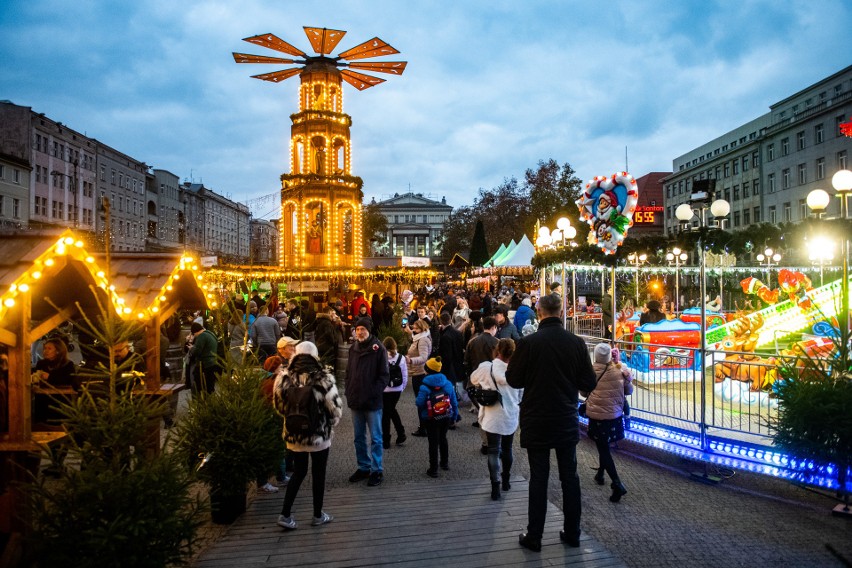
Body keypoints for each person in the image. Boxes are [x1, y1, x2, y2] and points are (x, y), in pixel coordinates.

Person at [506, 293, 596, 552]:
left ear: (539, 312)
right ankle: (573, 531)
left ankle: (535, 535)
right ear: (560, 311)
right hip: (565, 417)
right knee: (570, 476)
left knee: (539, 477)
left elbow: (513, 379)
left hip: (537, 417)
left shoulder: (529, 343)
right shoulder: (576, 343)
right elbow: (588, 383)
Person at [273, 341, 343, 530]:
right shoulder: (323, 377)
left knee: (298, 472)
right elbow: (335, 409)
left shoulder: (284, 376)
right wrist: (330, 424)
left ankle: (285, 514)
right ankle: (317, 514)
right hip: (318, 434)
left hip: (295, 434)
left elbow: (279, 407)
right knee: (319, 473)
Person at [582, 343, 633, 502]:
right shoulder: (618, 370)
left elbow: (584, 392)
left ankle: (617, 483)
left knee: (603, 448)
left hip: (598, 417)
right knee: (605, 445)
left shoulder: (590, 371)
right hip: (615, 416)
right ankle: (600, 474)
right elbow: (629, 390)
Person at [470, 338, 520, 500]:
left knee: (493, 450)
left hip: (492, 416)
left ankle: (495, 487)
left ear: (497, 350)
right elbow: (521, 396)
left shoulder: (486, 367)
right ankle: (506, 480)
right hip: (509, 414)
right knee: (507, 449)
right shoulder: (516, 371)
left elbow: (473, 379)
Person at [344, 317, 389, 487]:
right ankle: (363, 466)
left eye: (363, 329)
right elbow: (348, 373)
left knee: (376, 438)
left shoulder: (379, 349)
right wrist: (348, 390)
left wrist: (372, 393)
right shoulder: (353, 348)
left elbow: (384, 376)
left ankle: (377, 470)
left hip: (372, 401)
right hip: (356, 399)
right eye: (358, 329)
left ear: (369, 330)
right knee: (358, 437)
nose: (360, 332)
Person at [415, 357, 459, 478]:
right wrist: (454, 416)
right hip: (445, 416)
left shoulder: (424, 386)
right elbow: (454, 402)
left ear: (427, 370)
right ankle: (444, 463)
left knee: (433, 442)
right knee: (443, 438)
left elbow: (419, 403)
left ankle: (433, 469)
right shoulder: (448, 383)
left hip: (430, 418)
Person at [32, 337, 78, 424]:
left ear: (58, 351)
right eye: (45, 348)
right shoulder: (41, 363)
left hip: (61, 402)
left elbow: (69, 381)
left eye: (49, 348)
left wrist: (49, 377)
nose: (45, 351)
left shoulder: (68, 365)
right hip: (43, 401)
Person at [405, 319, 432, 437]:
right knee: (422, 401)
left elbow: (423, 357)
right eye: (413, 328)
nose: (414, 330)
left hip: (419, 373)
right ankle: (424, 426)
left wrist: (411, 360)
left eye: (416, 329)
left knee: (421, 401)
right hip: (416, 372)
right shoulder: (419, 338)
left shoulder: (422, 340)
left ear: (422, 329)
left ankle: (424, 427)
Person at [382, 337, 408, 449]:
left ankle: (386, 439)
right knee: (391, 410)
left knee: (385, 414)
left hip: (384, 390)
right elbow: (405, 375)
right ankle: (400, 433)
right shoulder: (401, 358)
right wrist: (402, 388)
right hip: (397, 389)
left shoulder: (381, 358)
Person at [188, 322, 220, 394]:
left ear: (195, 332)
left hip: (205, 364)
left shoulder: (201, 336)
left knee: (201, 384)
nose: (194, 336)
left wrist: (191, 348)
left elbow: (197, 351)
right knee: (210, 384)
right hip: (213, 362)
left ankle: (202, 400)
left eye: (194, 334)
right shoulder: (210, 334)